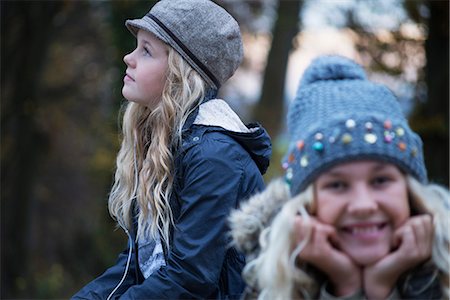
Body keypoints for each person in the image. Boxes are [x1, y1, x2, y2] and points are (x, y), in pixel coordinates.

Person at [73, 0, 271, 299]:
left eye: (147, 51)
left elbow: (189, 279)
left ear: (181, 74)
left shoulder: (215, 157)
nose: (129, 57)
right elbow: (136, 266)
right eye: (136, 46)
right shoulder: (164, 147)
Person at [230, 55, 449, 300]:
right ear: (306, 204)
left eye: (380, 181)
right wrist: (347, 287)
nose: (364, 205)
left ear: (410, 191)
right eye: (337, 185)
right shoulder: (262, 284)